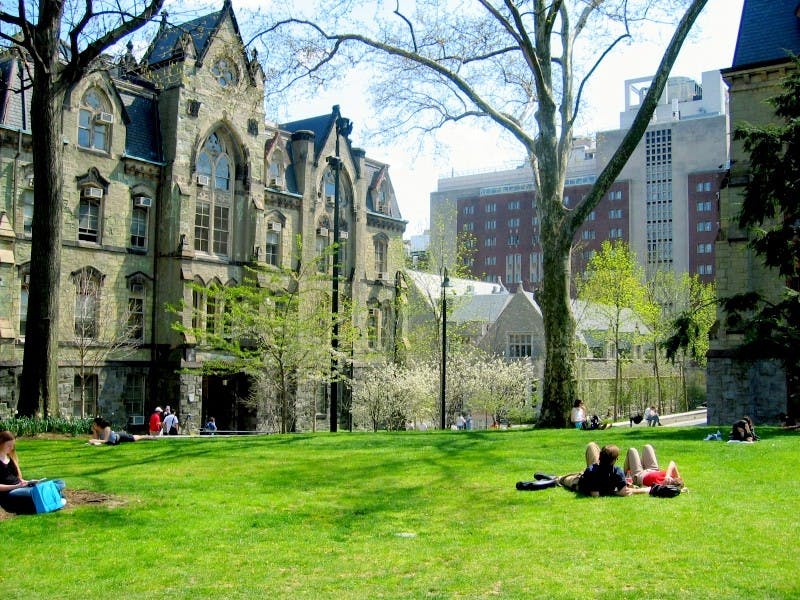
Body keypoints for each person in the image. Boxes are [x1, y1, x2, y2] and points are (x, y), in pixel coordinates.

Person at [0, 430, 66, 514]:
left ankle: (52, 497)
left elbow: (17, 478)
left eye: (13, 445)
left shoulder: (10, 458)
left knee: (60, 482)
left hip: (20, 486)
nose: (11, 448)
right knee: (34, 492)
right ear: (1, 444)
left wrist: (28, 482)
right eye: (9, 445)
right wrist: (16, 486)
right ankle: (55, 498)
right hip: (9, 492)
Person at [553, 443, 647, 497]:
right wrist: (645, 490)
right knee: (566, 480)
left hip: (580, 481)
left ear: (600, 457)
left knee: (566, 480)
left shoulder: (592, 470)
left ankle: (557, 479)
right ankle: (556, 479)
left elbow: (595, 493)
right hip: (580, 482)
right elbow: (596, 494)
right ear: (614, 461)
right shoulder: (617, 471)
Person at [88, 417, 153, 445]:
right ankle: (144, 436)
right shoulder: (97, 430)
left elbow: (106, 441)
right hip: (114, 438)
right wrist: (94, 431)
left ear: (98, 425)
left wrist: (94, 440)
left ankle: (145, 436)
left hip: (119, 436)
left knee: (134, 438)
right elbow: (96, 439)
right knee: (134, 437)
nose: (93, 425)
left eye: (94, 424)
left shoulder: (106, 428)